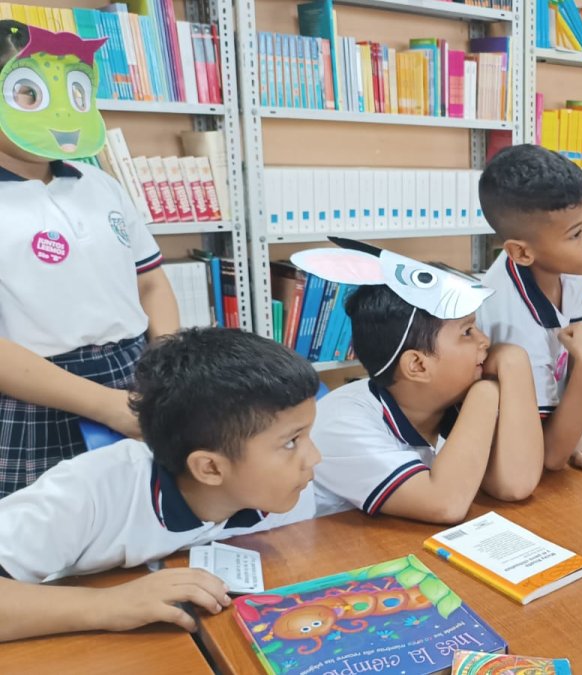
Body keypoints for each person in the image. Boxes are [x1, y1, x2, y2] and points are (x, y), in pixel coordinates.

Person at [0, 327, 334, 642]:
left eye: (308, 434)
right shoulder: (90, 491)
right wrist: (107, 605)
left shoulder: (285, 491)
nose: (314, 457)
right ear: (210, 468)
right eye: (291, 441)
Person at [0, 20, 179, 496]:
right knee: (36, 543)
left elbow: (151, 282)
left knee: (140, 513)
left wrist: (167, 362)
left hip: (136, 372)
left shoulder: (99, 183)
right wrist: (105, 406)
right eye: (29, 93)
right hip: (32, 394)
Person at [306, 243, 545, 524]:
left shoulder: (445, 399)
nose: (485, 341)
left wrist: (514, 362)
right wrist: (485, 392)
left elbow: (514, 485)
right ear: (418, 365)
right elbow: (445, 504)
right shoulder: (343, 422)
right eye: (467, 332)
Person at [475, 144, 582, 479]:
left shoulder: (562, 267)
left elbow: (580, 343)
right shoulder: (513, 326)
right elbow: (551, 455)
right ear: (521, 252)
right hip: (504, 467)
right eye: (577, 233)